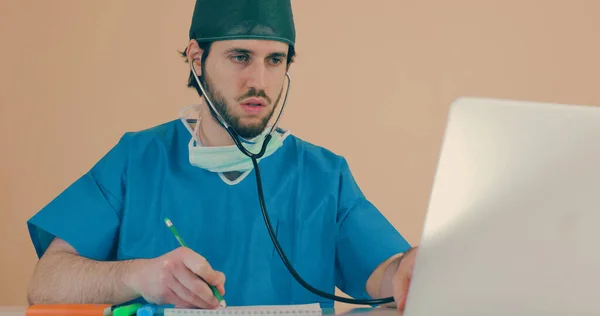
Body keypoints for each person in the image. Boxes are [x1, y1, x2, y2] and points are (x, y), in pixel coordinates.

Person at [25, 0, 419, 313]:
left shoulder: (323, 175)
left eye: (275, 60)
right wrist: (141, 276)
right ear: (197, 58)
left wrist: (412, 271)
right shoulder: (137, 160)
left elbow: (386, 278)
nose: (259, 82)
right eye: (240, 57)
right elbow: (46, 283)